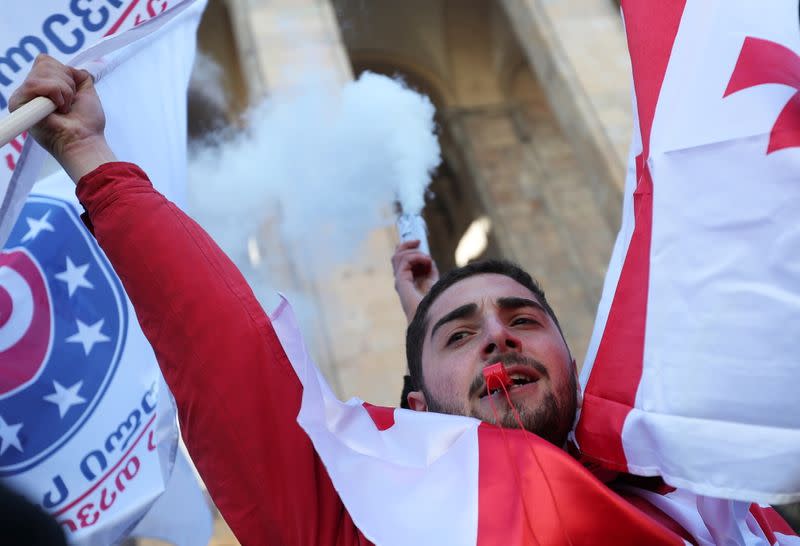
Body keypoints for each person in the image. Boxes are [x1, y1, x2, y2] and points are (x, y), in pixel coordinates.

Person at [10, 55, 798, 546]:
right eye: (464, 335)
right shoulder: (362, 519)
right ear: (413, 405)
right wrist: (94, 160)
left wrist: (434, 324)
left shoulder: (708, 486)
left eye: (523, 320)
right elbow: (231, 358)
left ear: (578, 364)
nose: (499, 337)